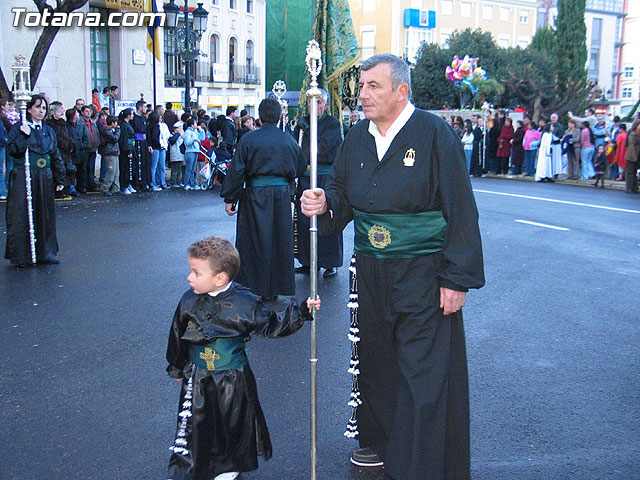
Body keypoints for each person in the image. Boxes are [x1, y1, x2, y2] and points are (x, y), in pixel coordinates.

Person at [300, 53, 484, 480]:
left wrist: (456, 278)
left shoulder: (435, 135)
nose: (362, 94)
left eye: (373, 86)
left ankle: (420, 465)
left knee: (422, 371)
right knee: (377, 364)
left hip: (422, 272)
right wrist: (325, 203)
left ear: (401, 91)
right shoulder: (357, 138)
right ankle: (381, 444)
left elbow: (461, 209)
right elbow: (341, 194)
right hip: (370, 271)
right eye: (361, 86)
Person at [166, 235, 319, 480]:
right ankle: (198, 464)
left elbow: (272, 324)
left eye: (196, 273)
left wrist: (302, 312)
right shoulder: (188, 300)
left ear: (220, 278)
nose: (189, 277)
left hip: (232, 377)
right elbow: (177, 333)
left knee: (233, 421)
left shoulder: (244, 302)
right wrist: (176, 365)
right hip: (199, 376)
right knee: (198, 421)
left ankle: (228, 465)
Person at [221, 98, 306, 299]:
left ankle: (253, 286)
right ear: (279, 117)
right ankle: (276, 287)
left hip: (256, 194)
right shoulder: (288, 140)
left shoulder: (249, 139)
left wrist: (230, 197)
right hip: (281, 196)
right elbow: (300, 166)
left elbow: (237, 169)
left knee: (254, 239)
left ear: (259, 116)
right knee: (279, 239)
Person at [5, 94, 65, 267]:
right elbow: (14, 150)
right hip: (24, 175)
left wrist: (60, 175)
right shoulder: (20, 127)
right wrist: (24, 136)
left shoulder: (47, 130)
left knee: (45, 213)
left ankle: (46, 252)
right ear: (29, 108)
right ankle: (22, 255)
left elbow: (54, 153)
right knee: (22, 213)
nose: (41, 111)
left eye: (44, 108)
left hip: (44, 176)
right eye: (38, 107)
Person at [293, 88, 344, 278]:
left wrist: (307, 137)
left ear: (326, 105)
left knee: (327, 217)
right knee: (304, 217)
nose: (314, 107)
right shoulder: (302, 124)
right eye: (310, 103)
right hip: (306, 177)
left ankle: (330, 262)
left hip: (325, 177)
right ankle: (307, 261)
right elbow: (295, 149)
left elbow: (321, 148)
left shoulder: (332, 124)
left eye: (319, 103)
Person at [45, 103, 77, 198]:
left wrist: (71, 145)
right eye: (60, 110)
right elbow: (57, 138)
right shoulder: (50, 124)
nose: (62, 111)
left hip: (66, 152)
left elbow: (67, 135)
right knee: (58, 170)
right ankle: (58, 190)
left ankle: (66, 190)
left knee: (67, 171)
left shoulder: (62, 123)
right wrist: (64, 145)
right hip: (58, 151)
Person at [131, 100, 152, 191]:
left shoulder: (144, 118)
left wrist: (149, 144)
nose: (146, 109)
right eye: (144, 107)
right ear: (140, 107)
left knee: (145, 162)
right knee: (138, 163)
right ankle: (137, 183)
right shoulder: (134, 118)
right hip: (137, 141)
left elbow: (147, 132)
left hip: (144, 142)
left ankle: (144, 182)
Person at [98, 115, 121, 196]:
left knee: (116, 171)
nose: (117, 124)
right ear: (112, 123)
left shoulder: (112, 130)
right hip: (109, 152)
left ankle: (116, 187)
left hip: (115, 152)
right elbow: (115, 138)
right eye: (116, 122)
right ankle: (105, 188)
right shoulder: (106, 131)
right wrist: (118, 131)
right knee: (111, 171)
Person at [79, 104, 100, 192]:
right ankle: (84, 186)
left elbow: (96, 134)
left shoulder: (92, 123)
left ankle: (91, 184)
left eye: (90, 111)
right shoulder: (80, 123)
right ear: (82, 113)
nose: (88, 113)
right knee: (84, 168)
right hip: (85, 149)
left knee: (91, 168)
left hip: (93, 148)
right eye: (87, 111)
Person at [148, 110, 169, 191]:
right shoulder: (156, 126)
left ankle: (155, 183)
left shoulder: (150, 125)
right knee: (159, 166)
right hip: (158, 147)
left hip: (156, 147)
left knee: (155, 167)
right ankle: (160, 183)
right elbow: (155, 137)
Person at [117, 108, 136, 194]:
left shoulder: (128, 124)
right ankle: (124, 186)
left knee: (130, 168)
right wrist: (128, 150)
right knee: (125, 168)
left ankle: (128, 184)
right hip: (126, 150)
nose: (133, 116)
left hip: (131, 146)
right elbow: (124, 139)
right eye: (132, 114)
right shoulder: (123, 125)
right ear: (128, 115)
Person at [182, 117, 202, 190]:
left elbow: (202, 138)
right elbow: (187, 142)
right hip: (190, 151)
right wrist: (194, 139)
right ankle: (186, 183)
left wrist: (201, 131)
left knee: (193, 169)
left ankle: (192, 184)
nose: (196, 124)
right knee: (189, 168)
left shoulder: (195, 131)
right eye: (195, 123)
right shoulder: (187, 132)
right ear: (192, 125)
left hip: (195, 151)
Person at [168, 121, 185, 188]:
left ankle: (178, 181)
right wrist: (178, 133)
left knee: (179, 169)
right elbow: (172, 140)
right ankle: (173, 181)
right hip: (174, 155)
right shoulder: (171, 136)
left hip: (180, 155)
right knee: (174, 169)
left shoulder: (181, 137)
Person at [624, 120, 640, 194]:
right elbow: (631, 146)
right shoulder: (632, 134)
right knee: (630, 173)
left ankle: (634, 187)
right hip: (631, 156)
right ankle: (629, 188)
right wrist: (634, 157)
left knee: (635, 173)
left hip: (638, 155)